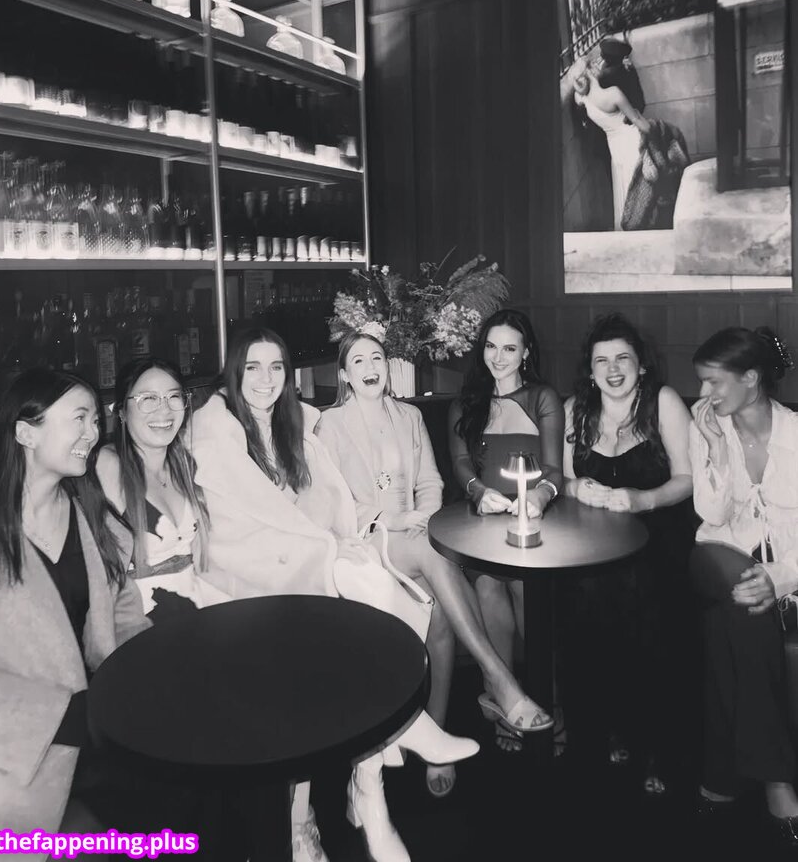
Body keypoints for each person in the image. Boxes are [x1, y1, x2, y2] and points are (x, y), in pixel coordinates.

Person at [191, 326, 479, 862]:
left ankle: (371, 785)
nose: (265, 379)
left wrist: (334, 539)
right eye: (252, 367)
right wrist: (328, 542)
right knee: (357, 598)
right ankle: (370, 773)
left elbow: (326, 504)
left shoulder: (296, 427)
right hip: (248, 581)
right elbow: (234, 530)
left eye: (276, 367)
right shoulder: (216, 433)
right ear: (233, 372)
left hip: (309, 564)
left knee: (367, 604)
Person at [316, 332, 554, 795]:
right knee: (431, 552)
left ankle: (437, 736)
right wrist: (396, 520)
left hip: (415, 534)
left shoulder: (409, 416)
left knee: (441, 617)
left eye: (377, 358)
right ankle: (498, 680)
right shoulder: (330, 424)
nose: (370, 367)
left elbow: (430, 482)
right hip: (364, 541)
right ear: (344, 374)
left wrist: (421, 517)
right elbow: (335, 501)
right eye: (358, 361)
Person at [0, 367, 149, 856]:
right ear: (25, 432)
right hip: (17, 751)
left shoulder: (91, 514)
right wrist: (65, 716)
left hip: (103, 730)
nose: (92, 433)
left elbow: (123, 611)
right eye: (79, 418)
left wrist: (149, 674)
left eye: (96, 420)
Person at [562, 313, 693, 793]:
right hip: (595, 541)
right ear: (590, 370)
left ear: (641, 365)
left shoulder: (664, 402)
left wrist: (643, 500)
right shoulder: (575, 409)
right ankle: (608, 728)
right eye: (602, 361)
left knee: (643, 596)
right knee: (583, 599)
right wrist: (578, 488)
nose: (613, 369)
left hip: (658, 534)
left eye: (622, 358)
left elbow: (688, 479)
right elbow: (561, 480)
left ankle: (657, 744)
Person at [690, 326, 798, 842]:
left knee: (733, 618)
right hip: (716, 557)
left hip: (783, 576)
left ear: (751, 378)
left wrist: (779, 577)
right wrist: (716, 447)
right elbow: (710, 513)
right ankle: (777, 778)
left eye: (714, 382)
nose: (703, 394)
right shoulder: (708, 430)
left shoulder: (796, 435)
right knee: (736, 584)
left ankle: (723, 775)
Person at [449, 308, 562, 752]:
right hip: (483, 521)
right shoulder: (466, 402)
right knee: (488, 588)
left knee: (522, 587)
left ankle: (549, 699)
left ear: (525, 352)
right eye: (491, 346)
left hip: (532, 521)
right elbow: (462, 465)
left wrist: (539, 497)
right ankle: (503, 696)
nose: (498, 357)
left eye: (509, 348)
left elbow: (554, 469)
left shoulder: (541, 397)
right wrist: (478, 492)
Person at [96, 356, 228, 620]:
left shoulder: (185, 463)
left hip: (198, 614)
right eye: (148, 399)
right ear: (121, 412)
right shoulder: (108, 465)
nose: (164, 410)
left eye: (173, 397)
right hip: (140, 625)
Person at [573, 58, 652, 230]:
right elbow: (637, 120)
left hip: (615, 146)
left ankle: (628, 226)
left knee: (624, 186)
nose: (600, 65)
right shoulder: (613, 93)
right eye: (595, 63)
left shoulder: (581, 98)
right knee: (640, 184)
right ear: (590, 71)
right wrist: (654, 130)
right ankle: (644, 225)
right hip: (631, 140)